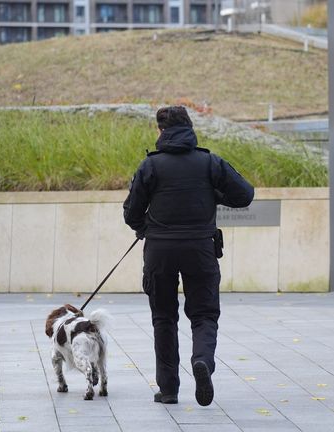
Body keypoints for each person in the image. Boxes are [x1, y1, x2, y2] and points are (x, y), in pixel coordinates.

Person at [123, 106, 254, 405]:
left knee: (163, 318)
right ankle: (203, 362)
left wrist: (146, 229)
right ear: (190, 128)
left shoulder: (150, 166)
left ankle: (168, 389)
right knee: (204, 314)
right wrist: (215, 196)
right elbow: (245, 194)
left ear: (161, 131)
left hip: (159, 252)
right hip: (200, 248)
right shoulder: (210, 162)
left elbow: (131, 212)